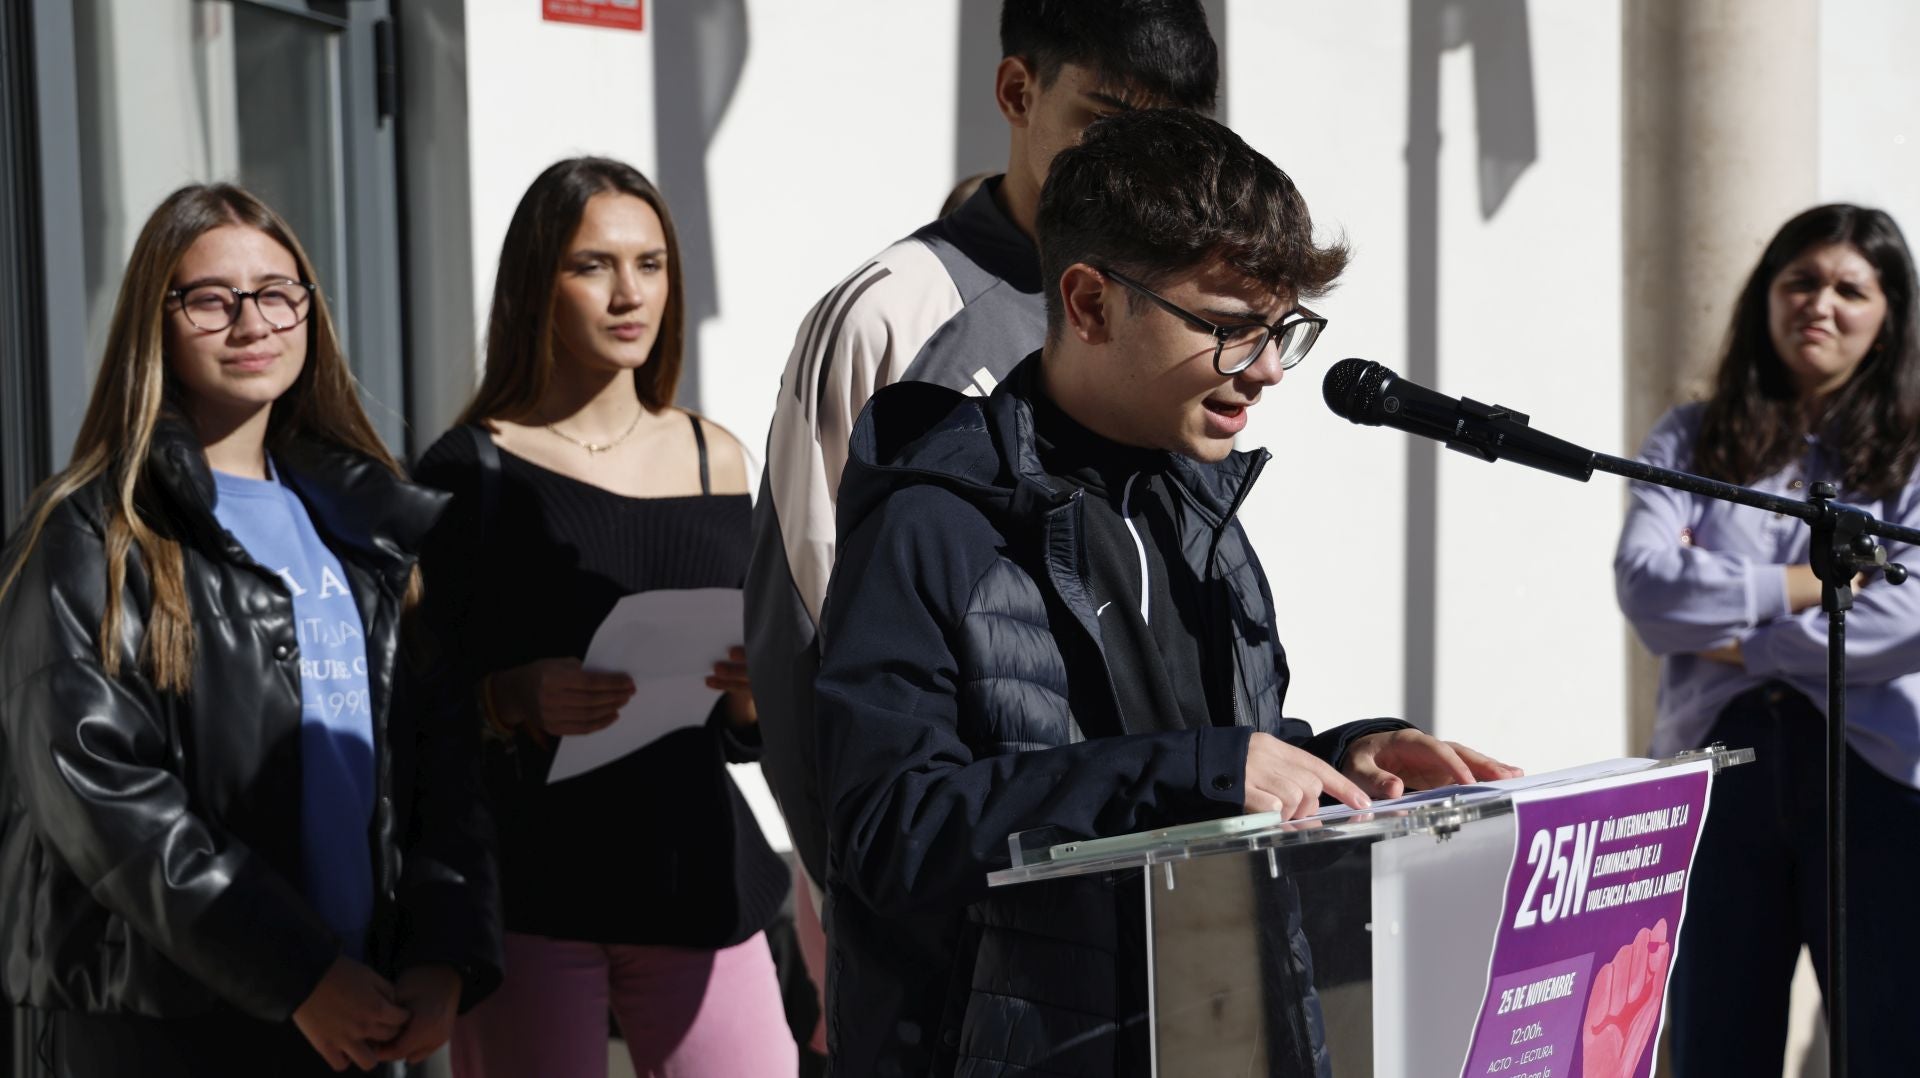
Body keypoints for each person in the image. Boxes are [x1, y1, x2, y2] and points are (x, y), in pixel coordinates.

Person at [814, 108, 1522, 1077]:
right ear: (1092, 303)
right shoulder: (931, 519)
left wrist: (1338, 759)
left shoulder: (1200, 505)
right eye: (1230, 329)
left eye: (1282, 330)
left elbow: (1184, 756)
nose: (1269, 369)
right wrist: (1201, 770)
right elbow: (888, 830)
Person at [0, 183, 500, 1076]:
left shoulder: (366, 527)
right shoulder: (92, 531)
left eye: (277, 292)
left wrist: (442, 955)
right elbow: (98, 791)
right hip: (163, 1022)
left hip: (354, 1011)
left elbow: (438, 766)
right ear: (156, 321)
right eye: (211, 299)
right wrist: (296, 973)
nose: (252, 322)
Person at [746, 0, 1224, 904]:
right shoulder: (891, 313)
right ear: (1017, 90)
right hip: (958, 924)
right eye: (1105, 123)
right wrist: (863, 923)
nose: (1133, 166)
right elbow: (803, 633)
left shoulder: (1190, 317)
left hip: (1169, 907)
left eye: (1168, 134)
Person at [413, 157, 797, 1078]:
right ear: (535, 284)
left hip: (699, 875)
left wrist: (751, 693)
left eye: (652, 264)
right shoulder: (472, 470)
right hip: (535, 890)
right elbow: (421, 705)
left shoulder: (717, 457)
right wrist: (513, 694)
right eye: (593, 265)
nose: (631, 294)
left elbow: (752, 725)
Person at [1615, 203, 1920, 1074]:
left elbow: (1910, 620)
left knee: (1889, 1042)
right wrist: (1817, 586)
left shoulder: (1913, 448)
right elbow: (1648, 592)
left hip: (1880, 780)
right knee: (1715, 1042)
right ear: (1767, 297)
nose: (1820, 304)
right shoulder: (1692, 437)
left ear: (1889, 313)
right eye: (1801, 281)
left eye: (1850, 289)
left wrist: (1748, 641)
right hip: (1719, 776)